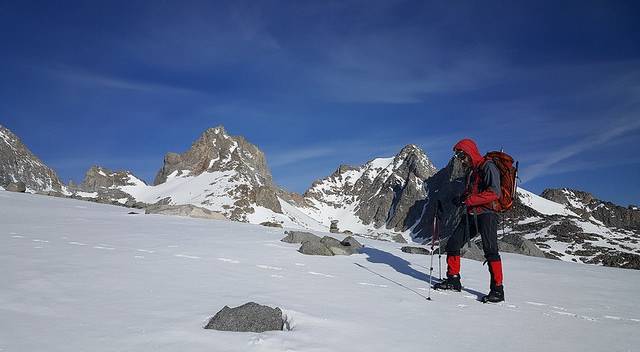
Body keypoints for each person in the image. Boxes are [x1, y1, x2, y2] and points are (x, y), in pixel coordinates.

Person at [434, 138, 504, 303]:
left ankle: (498, 290)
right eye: (459, 157)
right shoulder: (473, 172)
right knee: (453, 243)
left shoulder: (488, 166)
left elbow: (495, 193)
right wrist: (461, 199)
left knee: (490, 250)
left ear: (470, 153)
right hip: (472, 215)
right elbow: (472, 193)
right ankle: (453, 280)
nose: (461, 160)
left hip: (487, 213)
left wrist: (469, 201)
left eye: (463, 156)